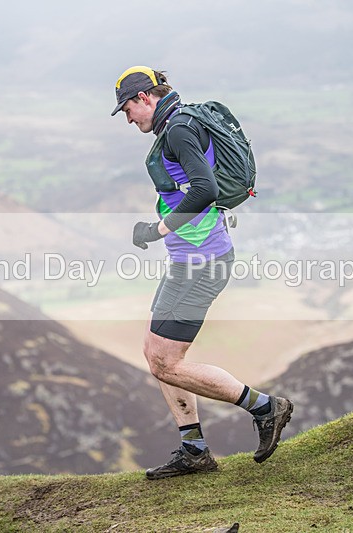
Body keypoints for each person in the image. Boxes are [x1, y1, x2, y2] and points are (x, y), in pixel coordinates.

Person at [111, 66, 293, 479]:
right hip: (189, 260)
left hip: (201, 262)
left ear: (144, 98)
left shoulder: (177, 130)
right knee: (155, 353)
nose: (128, 119)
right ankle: (193, 449)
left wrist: (156, 230)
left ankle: (267, 408)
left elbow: (205, 190)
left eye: (127, 109)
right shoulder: (183, 122)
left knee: (166, 362)